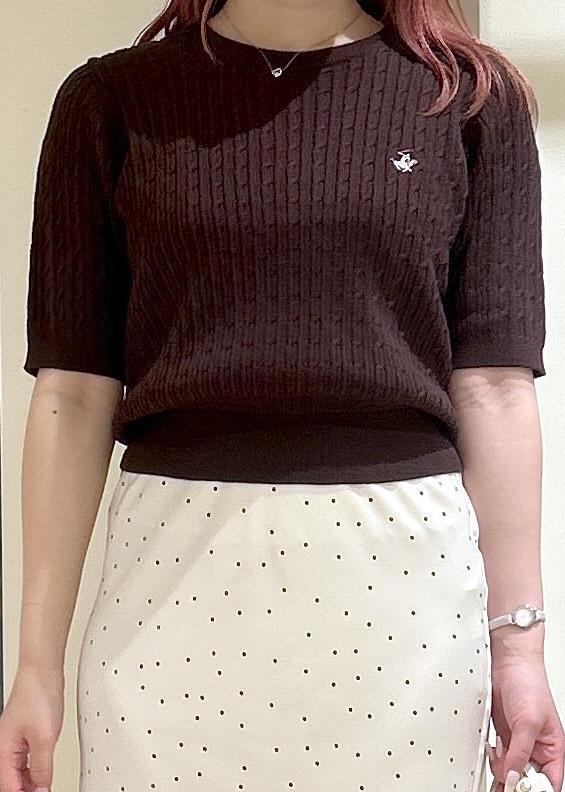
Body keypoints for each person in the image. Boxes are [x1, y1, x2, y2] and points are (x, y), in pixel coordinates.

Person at [1, 0, 564, 790]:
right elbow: (73, 393)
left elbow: (496, 388)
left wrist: (519, 649)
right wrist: (36, 669)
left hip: (403, 598)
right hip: (169, 581)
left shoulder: (470, 101)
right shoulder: (110, 102)